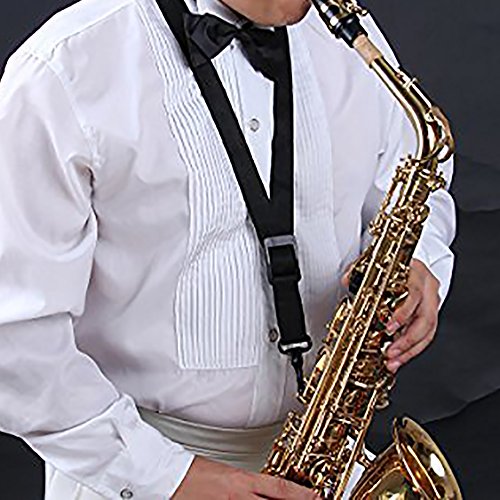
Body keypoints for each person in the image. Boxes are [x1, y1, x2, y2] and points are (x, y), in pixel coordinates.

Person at [0, 0, 455, 498]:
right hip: (137, 473)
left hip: (324, 459)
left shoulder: (349, 36)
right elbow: (14, 337)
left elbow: (417, 184)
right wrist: (167, 476)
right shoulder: (63, 68)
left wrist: (419, 261)